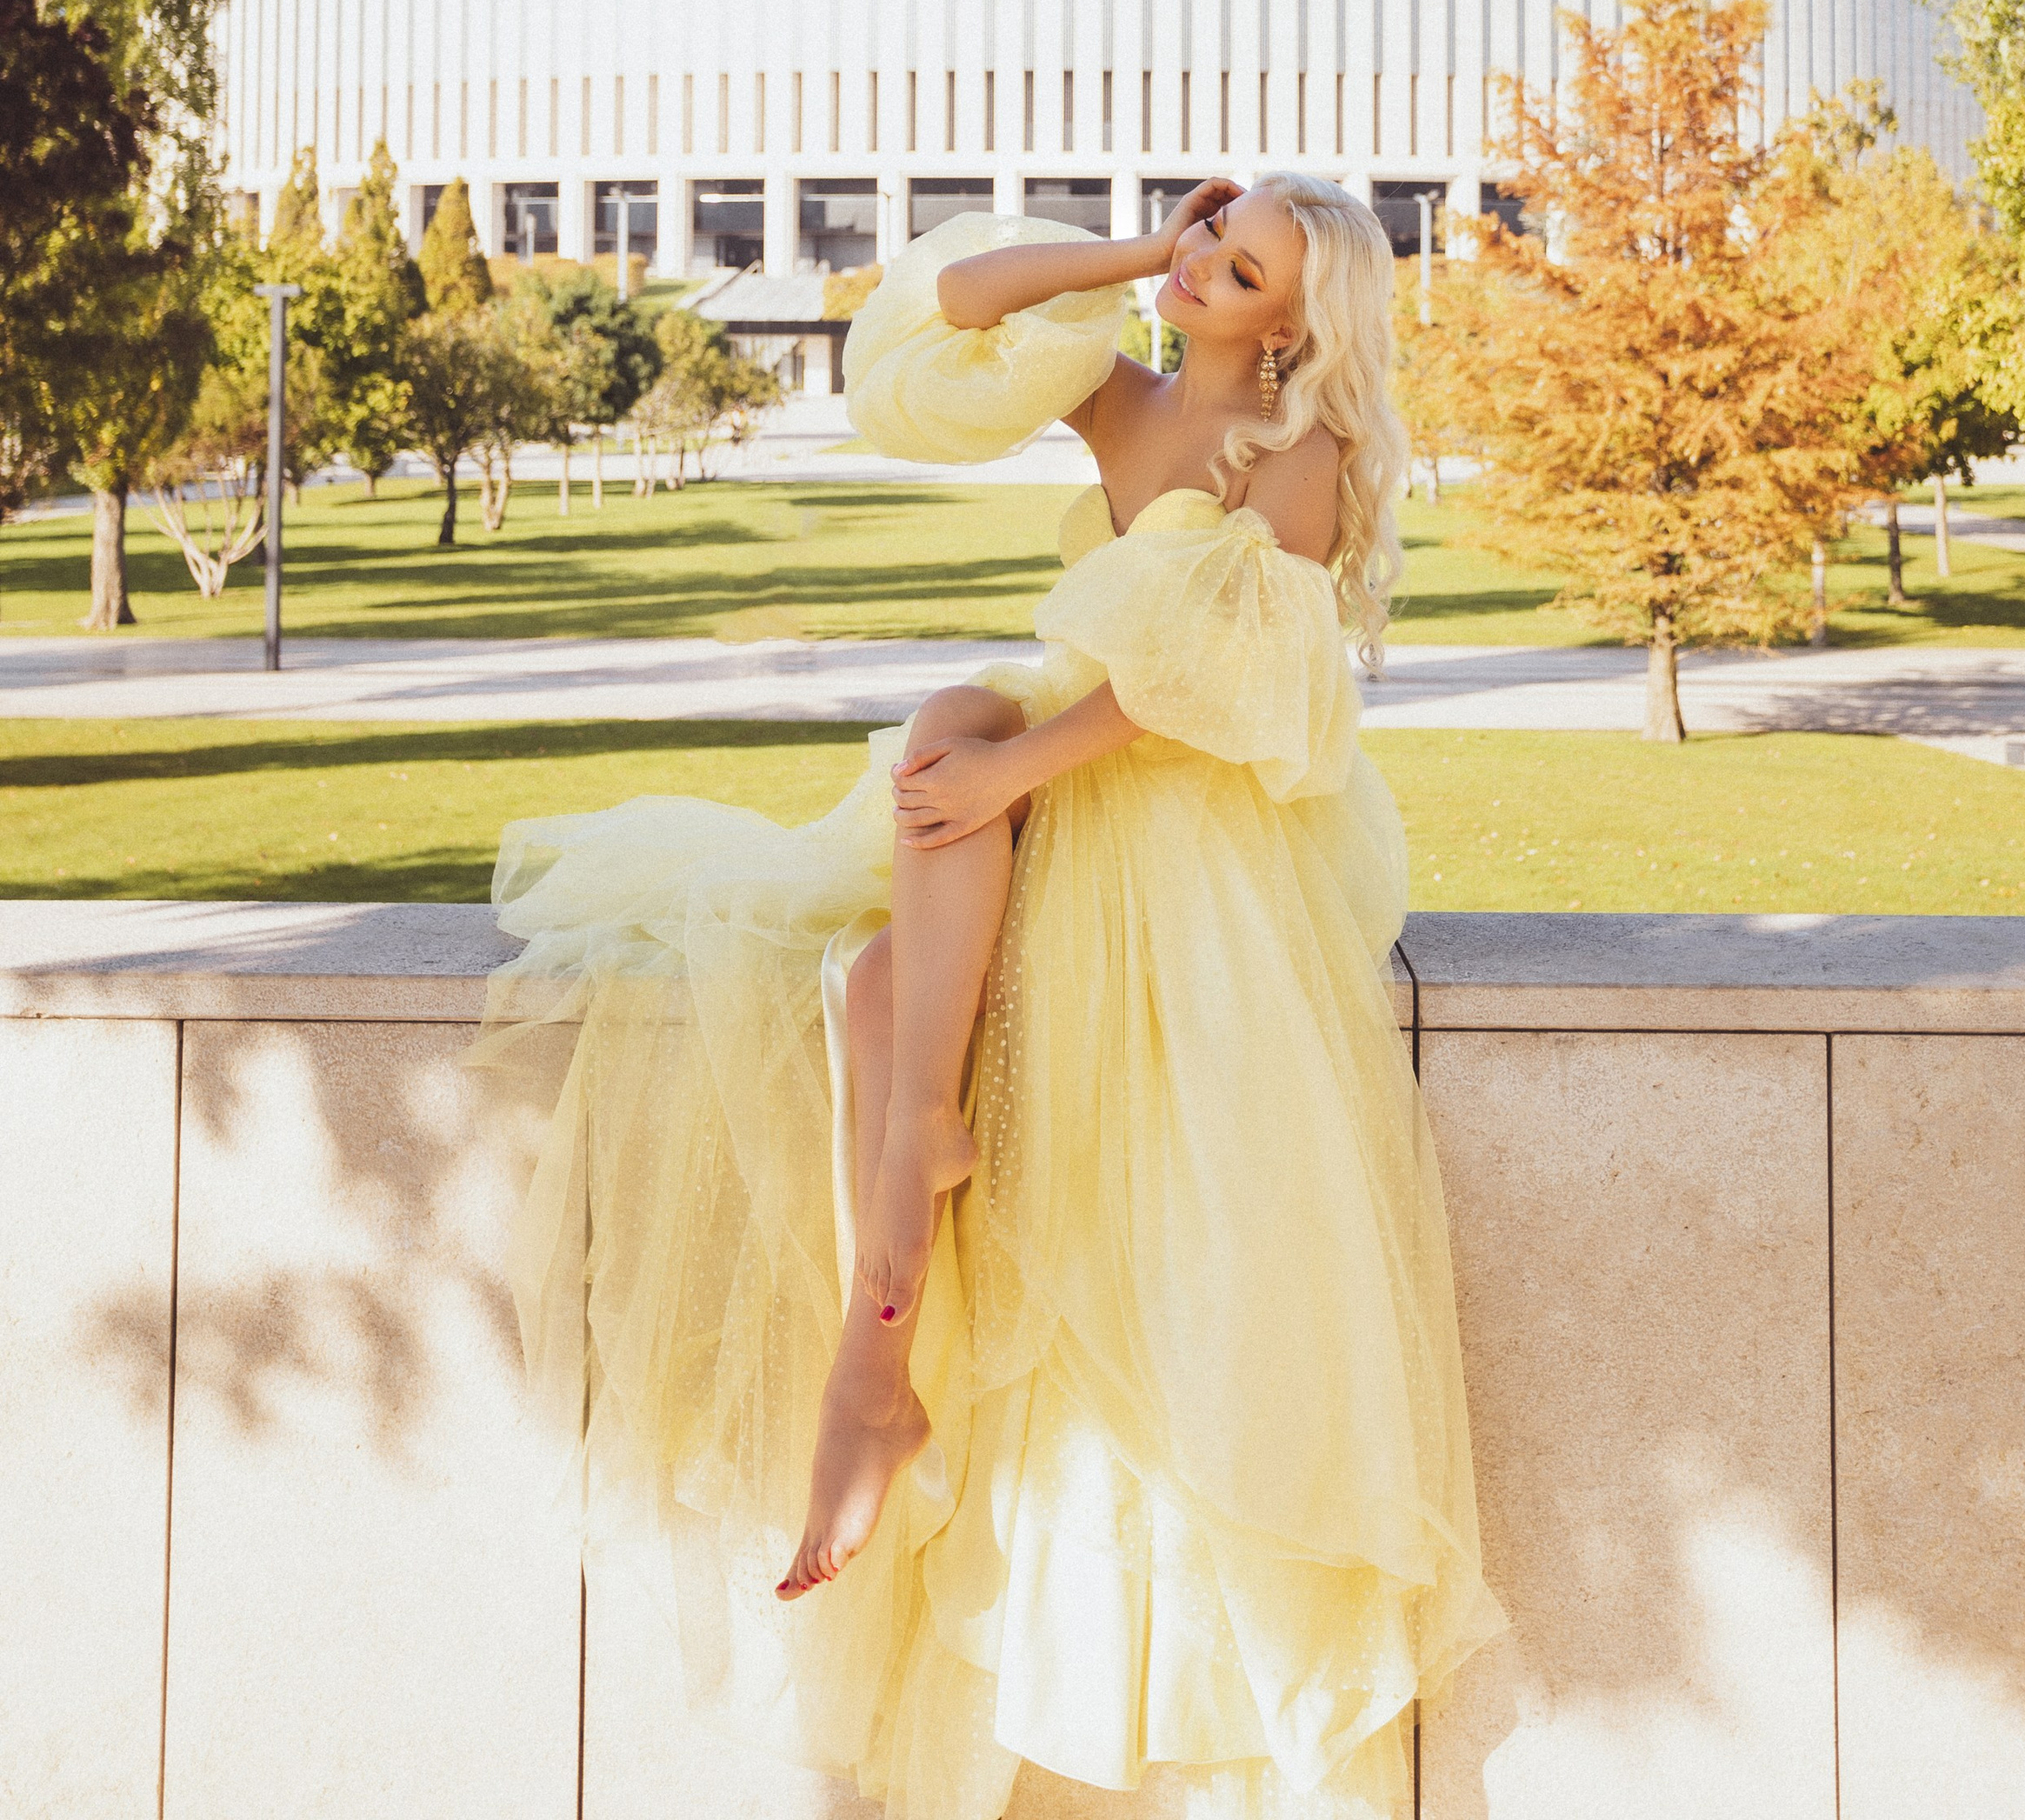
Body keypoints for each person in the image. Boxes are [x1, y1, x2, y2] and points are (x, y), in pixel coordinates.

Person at [476, 177, 1498, 1820]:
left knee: (936, 847)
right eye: (1209, 240)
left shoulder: (1288, 451)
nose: (1202, 274)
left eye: (1238, 269)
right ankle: (900, 1249)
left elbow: (1207, 683)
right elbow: (947, 312)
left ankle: (876, 1354)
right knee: (934, 784)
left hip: (1174, 807)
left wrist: (1019, 768)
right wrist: (1136, 248)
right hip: (1046, 765)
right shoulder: (1127, 395)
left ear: (1293, 325)